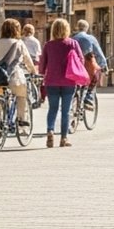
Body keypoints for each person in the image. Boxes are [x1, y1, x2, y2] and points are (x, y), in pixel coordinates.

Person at [36, 19, 85, 148]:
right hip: (68, 81)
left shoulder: (48, 45)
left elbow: (42, 64)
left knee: (52, 108)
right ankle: (64, 138)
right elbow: (81, 60)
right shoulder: (73, 43)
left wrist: (42, 73)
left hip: (51, 81)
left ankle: (50, 131)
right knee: (66, 110)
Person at [0, 18, 36, 130]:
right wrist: (33, 71)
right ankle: (21, 119)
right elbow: (27, 60)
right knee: (21, 95)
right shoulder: (19, 43)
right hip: (15, 78)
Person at [72, 19, 108, 91]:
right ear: (87, 28)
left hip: (76, 67)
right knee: (91, 87)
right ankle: (89, 96)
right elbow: (98, 53)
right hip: (88, 66)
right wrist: (104, 65)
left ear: (78, 27)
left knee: (77, 87)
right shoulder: (91, 38)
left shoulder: (73, 39)